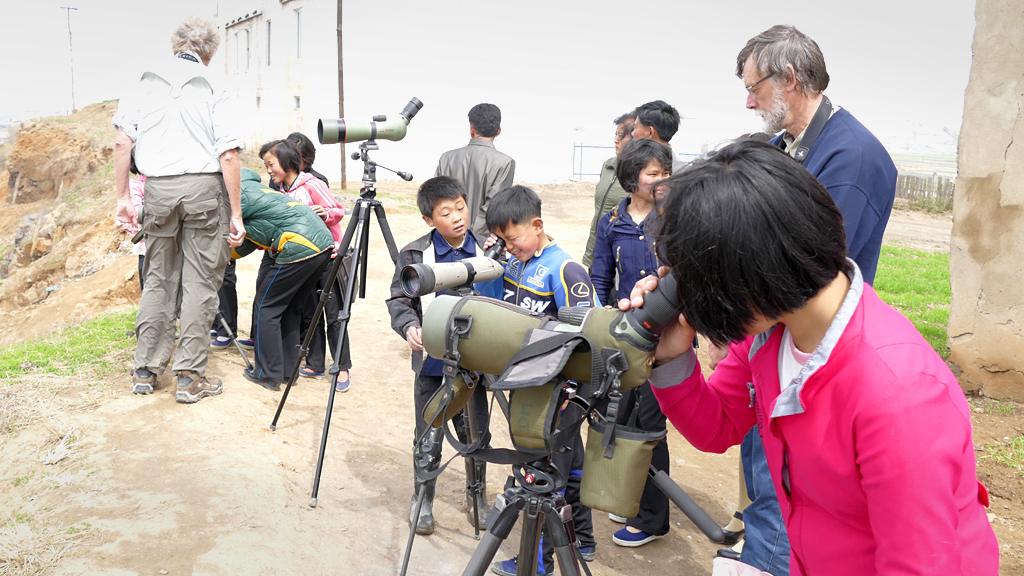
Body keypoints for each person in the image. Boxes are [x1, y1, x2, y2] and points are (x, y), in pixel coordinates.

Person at [620, 139, 998, 576]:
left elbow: (919, 565)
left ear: (751, 274)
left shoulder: (899, 394)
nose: (699, 302)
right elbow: (716, 426)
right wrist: (670, 356)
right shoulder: (776, 331)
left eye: (703, 283)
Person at [731, 25, 899, 572]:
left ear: (791, 79)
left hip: (811, 363)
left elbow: (805, 271)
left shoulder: (851, 158)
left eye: (754, 87)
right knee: (767, 492)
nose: (749, 100)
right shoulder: (793, 147)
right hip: (777, 349)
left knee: (781, 503)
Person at [113, 17, 245, 404]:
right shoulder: (218, 85)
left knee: (158, 279)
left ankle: (145, 370)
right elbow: (229, 154)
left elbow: (123, 142)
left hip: (157, 190)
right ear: (210, 52)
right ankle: (188, 378)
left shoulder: (142, 81)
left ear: (175, 46)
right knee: (200, 283)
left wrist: (123, 197)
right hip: (204, 188)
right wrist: (235, 213)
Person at [485, 185, 597, 576]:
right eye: (503, 240)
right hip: (534, 385)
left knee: (548, 476)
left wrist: (572, 394)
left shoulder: (565, 269)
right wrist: (491, 259)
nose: (509, 246)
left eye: (512, 238)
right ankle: (583, 537)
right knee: (572, 463)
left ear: (537, 225)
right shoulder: (515, 263)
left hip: (560, 392)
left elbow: (585, 339)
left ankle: (537, 563)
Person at [385, 176, 500, 536]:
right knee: (428, 431)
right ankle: (423, 497)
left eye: (461, 208)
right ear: (429, 219)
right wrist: (409, 327)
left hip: (475, 364)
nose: (456, 218)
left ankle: (476, 496)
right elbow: (399, 300)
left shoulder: (488, 248)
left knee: (476, 433)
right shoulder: (415, 254)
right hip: (433, 364)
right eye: (445, 212)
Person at [589, 138, 674, 548]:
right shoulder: (612, 222)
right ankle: (628, 496)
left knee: (651, 427)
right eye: (652, 174)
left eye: (664, 173)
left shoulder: (672, 217)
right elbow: (601, 278)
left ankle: (653, 519)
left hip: (666, 339)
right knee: (620, 419)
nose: (660, 180)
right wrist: (601, 324)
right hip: (625, 338)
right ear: (630, 178)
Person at [233, 168, 333, 390]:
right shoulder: (259, 190)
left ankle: (267, 374)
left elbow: (224, 226)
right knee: (289, 310)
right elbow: (247, 240)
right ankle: (288, 372)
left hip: (298, 245)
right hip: (322, 245)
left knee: (266, 308)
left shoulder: (239, 193)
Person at [285, 131, 353, 391]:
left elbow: (337, 211)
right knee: (310, 312)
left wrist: (324, 213)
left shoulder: (313, 182)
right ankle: (315, 363)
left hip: (327, 256)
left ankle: (342, 366)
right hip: (304, 258)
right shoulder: (279, 186)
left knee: (334, 313)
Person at [436, 103, 516, 240]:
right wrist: (471, 239)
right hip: (482, 244)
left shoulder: (447, 158)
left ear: (471, 129)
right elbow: (493, 207)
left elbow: (436, 200)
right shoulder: (505, 163)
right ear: (498, 131)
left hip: (445, 240)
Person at [581, 111, 635, 269]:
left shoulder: (640, 174)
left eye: (621, 135)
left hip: (619, 257)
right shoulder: (608, 166)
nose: (615, 140)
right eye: (615, 134)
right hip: (595, 250)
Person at [631, 100, 687, 172]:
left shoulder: (635, 169)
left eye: (635, 127)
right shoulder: (683, 171)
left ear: (650, 132)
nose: (632, 133)